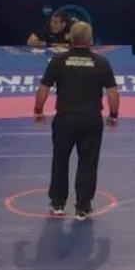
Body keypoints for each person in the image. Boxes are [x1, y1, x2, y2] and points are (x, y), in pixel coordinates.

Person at [34, 21, 120, 220]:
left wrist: (38, 110)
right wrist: (113, 114)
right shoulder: (101, 62)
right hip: (91, 120)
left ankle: (58, 203)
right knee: (88, 162)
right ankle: (83, 206)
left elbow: (44, 88)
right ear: (91, 40)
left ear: (69, 38)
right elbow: (112, 92)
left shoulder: (58, 60)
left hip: (65, 118)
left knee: (60, 160)